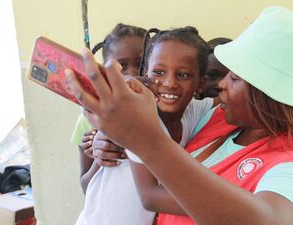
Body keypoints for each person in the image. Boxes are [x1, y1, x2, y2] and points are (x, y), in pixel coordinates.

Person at [67, 6, 293, 225]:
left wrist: (144, 142)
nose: (221, 84)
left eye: (235, 77)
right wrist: (108, 135)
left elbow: (273, 220)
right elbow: (160, 117)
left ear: (266, 95)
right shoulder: (218, 120)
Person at [79, 26, 218, 225]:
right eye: (159, 72)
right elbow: (148, 196)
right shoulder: (134, 119)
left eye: (184, 75)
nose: (169, 83)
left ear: (200, 84)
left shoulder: (194, 113)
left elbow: (231, 99)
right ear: (145, 73)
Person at [70, 23, 147, 194]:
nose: (132, 73)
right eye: (121, 66)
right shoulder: (88, 117)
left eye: (141, 64)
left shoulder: (157, 111)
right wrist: (100, 156)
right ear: (104, 69)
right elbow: (85, 186)